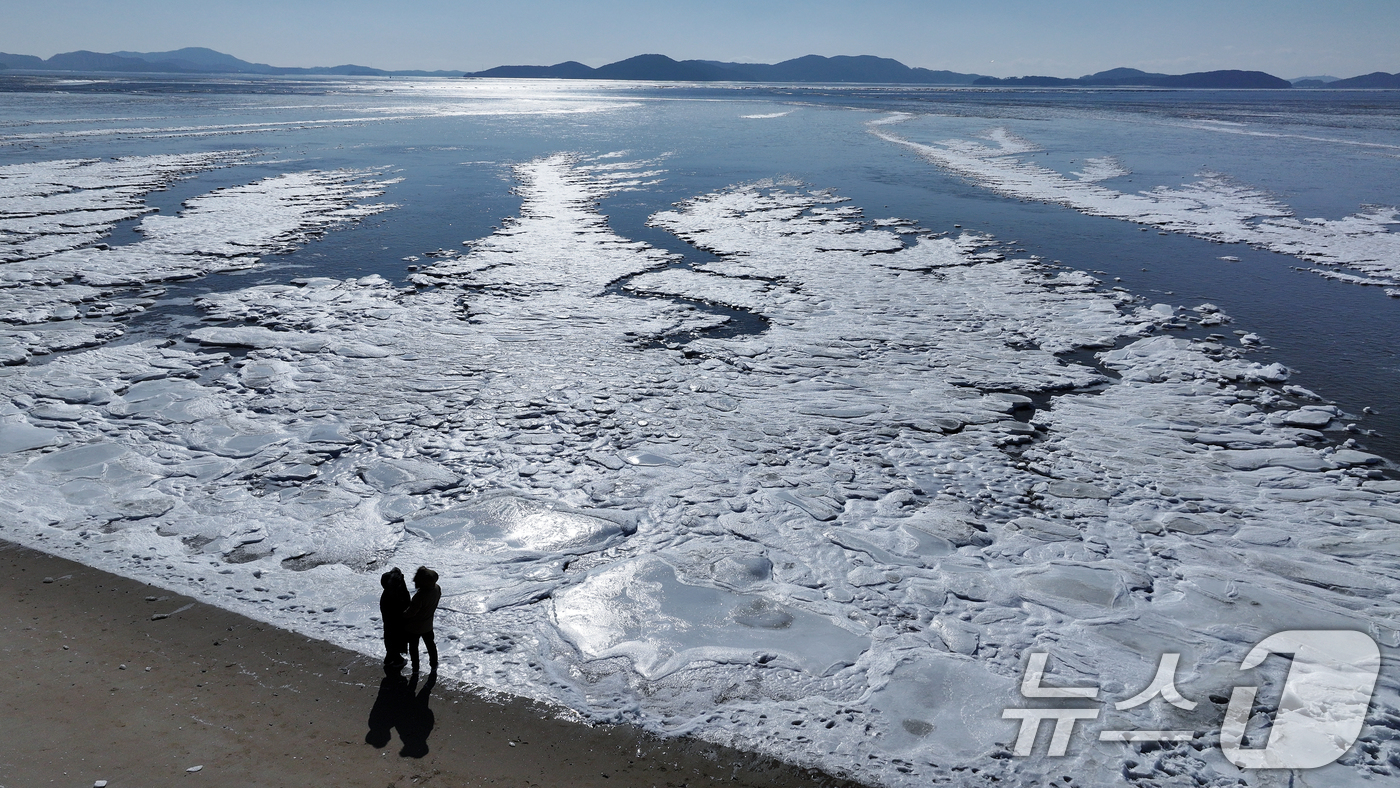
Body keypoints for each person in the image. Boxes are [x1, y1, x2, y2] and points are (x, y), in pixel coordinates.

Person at [404, 566, 441, 674]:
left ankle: (415, 668)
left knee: (413, 648)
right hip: (428, 624)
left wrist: (402, 615)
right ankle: (434, 664)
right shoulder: (437, 588)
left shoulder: (420, 596)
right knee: (430, 645)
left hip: (415, 627)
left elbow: (411, 613)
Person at [379, 567, 411, 670]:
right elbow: (406, 602)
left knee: (389, 635)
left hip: (389, 619)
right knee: (397, 637)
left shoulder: (387, 594)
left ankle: (390, 657)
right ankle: (397, 659)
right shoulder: (396, 594)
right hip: (397, 620)